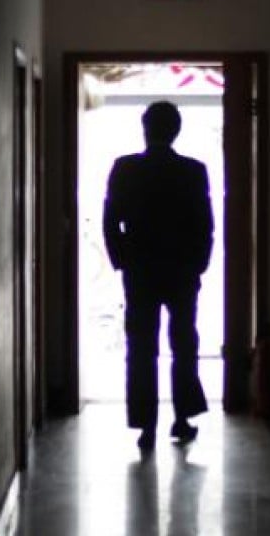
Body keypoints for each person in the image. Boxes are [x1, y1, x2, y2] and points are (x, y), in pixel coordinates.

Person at [103, 101, 214, 451]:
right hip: (181, 270)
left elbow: (110, 220)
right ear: (176, 131)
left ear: (145, 128)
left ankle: (145, 425)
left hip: (140, 270)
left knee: (140, 347)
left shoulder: (125, 168)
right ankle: (182, 419)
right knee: (183, 345)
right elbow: (205, 225)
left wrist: (122, 259)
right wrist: (198, 265)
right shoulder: (193, 171)